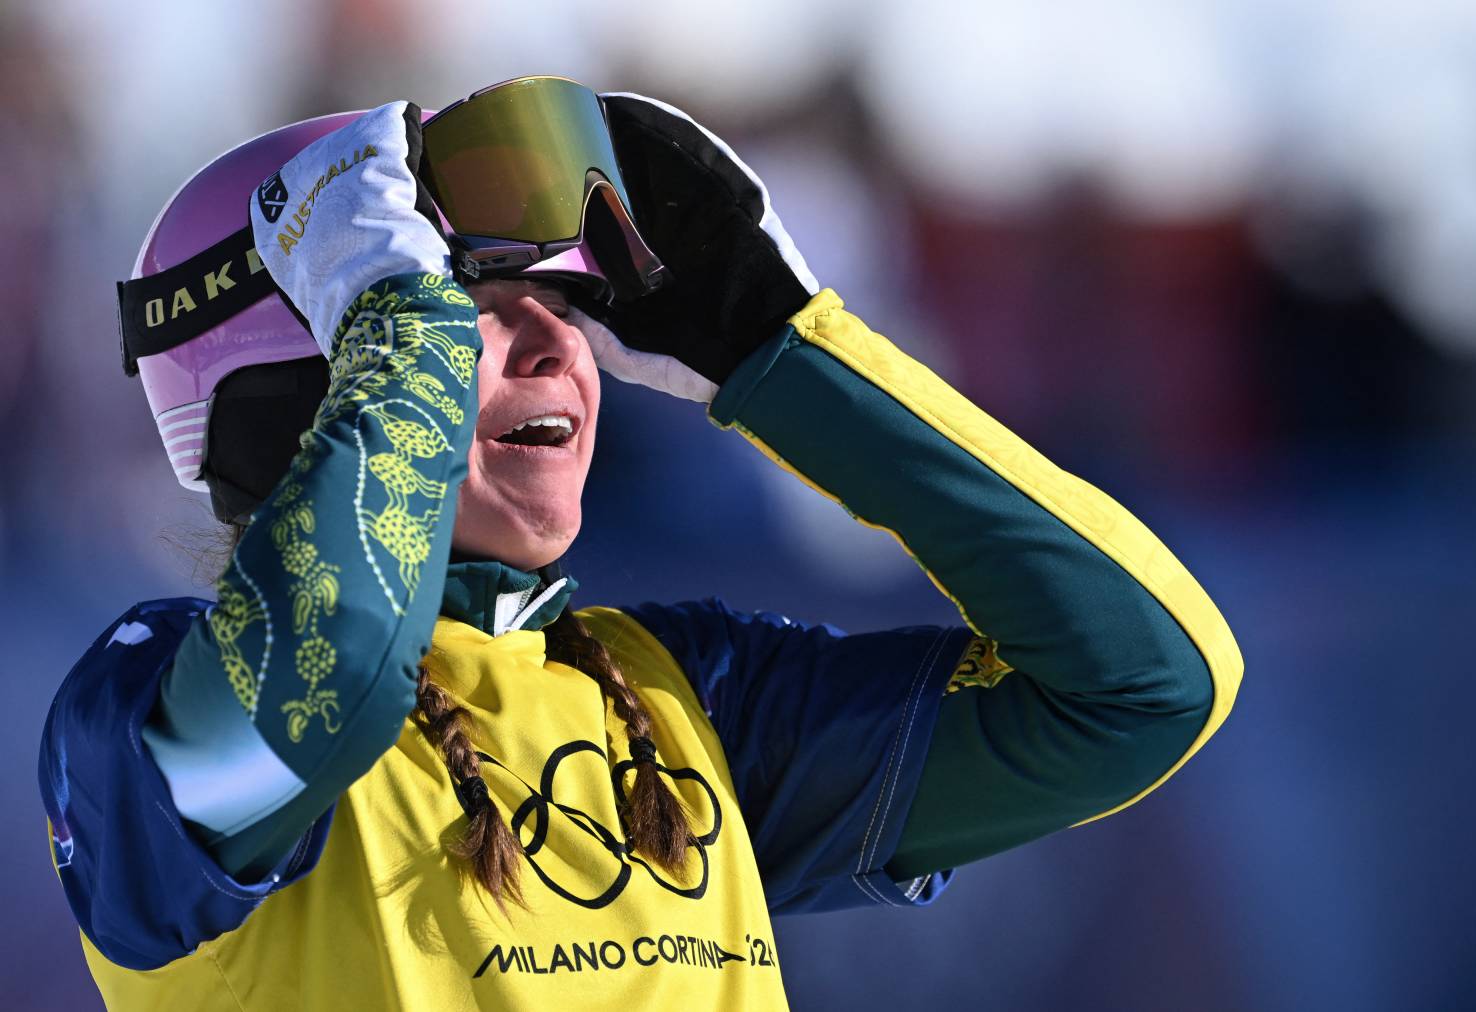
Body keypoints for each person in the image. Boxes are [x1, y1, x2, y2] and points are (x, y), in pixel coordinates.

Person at [38, 78, 1242, 1010]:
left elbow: (1144, 685)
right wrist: (404, 338)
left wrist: (786, 355)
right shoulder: (138, 707)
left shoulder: (689, 699)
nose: (559, 349)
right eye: (464, 305)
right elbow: (332, 679)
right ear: (303, 380)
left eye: (564, 306)